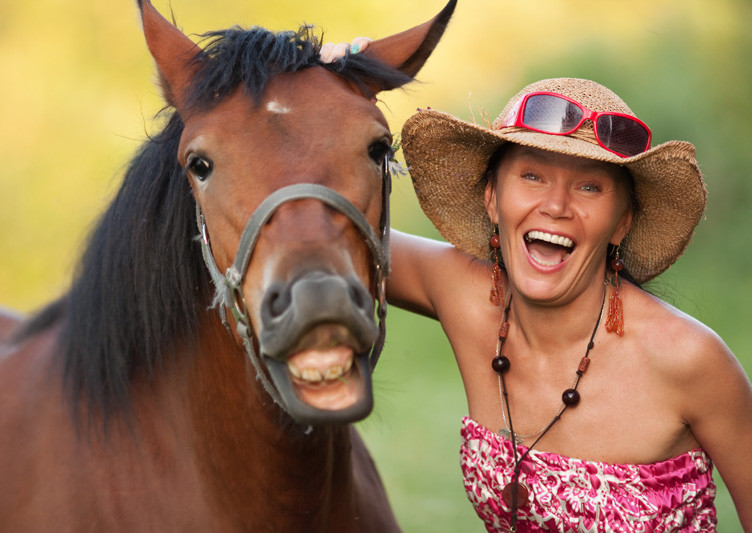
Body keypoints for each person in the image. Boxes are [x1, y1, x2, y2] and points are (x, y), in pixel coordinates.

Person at [321, 46, 752, 530]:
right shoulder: (461, 294)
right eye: (531, 175)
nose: (556, 205)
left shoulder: (690, 360)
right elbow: (327, 231)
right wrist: (325, 79)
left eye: (590, 187)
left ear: (621, 222)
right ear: (492, 198)